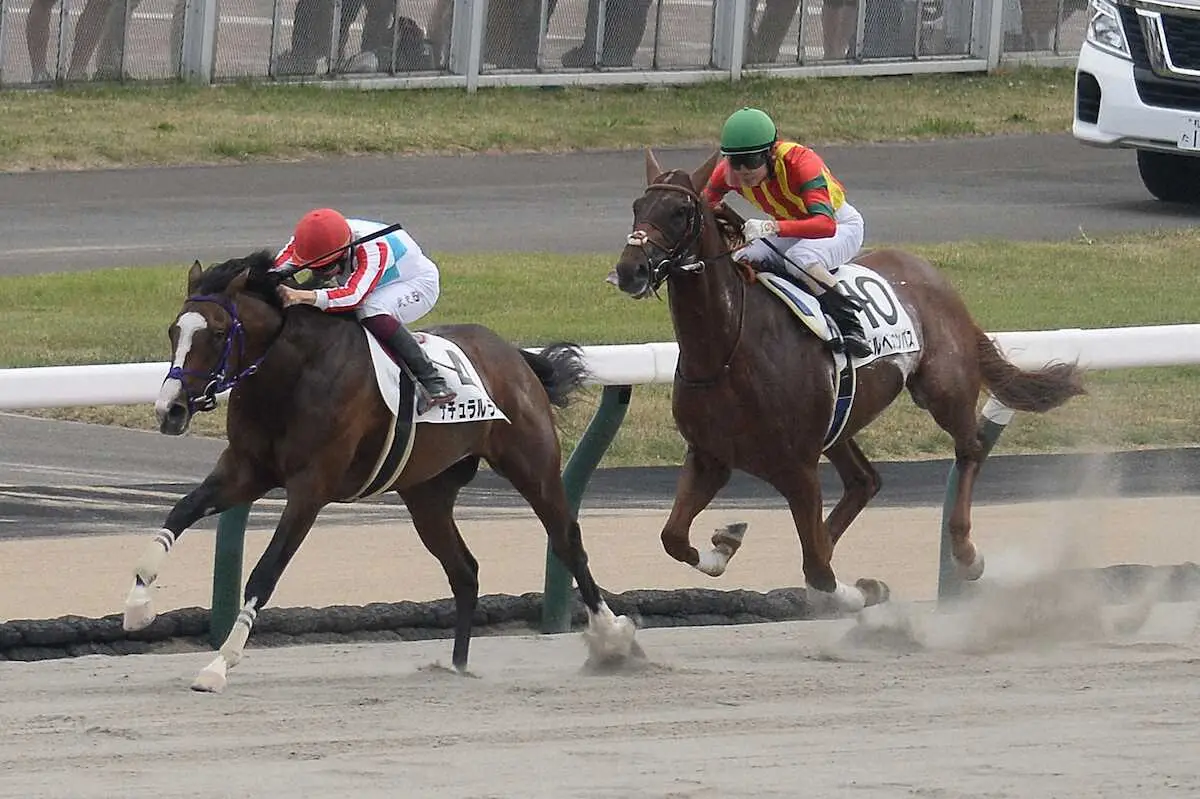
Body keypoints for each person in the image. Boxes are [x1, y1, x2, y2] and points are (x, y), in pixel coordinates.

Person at [702, 106, 873, 359]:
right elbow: (701, 208)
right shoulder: (726, 174)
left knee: (802, 257)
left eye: (751, 161)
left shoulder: (800, 163)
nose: (743, 171)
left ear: (770, 153)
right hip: (790, 228)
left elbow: (825, 224)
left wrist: (772, 227)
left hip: (839, 225)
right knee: (739, 258)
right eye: (735, 161)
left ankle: (851, 326)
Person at [271, 208, 456, 407]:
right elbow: (275, 269)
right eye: (312, 267)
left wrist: (301, 295)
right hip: (369, 281)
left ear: (343, 253)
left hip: (416, 283)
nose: (320, 273)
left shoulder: (373, 248)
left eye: (324, 268)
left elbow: (353, 297)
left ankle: (432, 381)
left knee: (369, 309)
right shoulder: (307, 241)